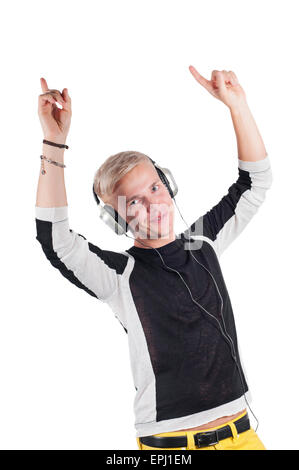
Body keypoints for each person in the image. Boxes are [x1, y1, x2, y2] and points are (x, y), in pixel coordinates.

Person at [35, 68, 272, 450]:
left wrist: (237, 105)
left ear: (169, 184)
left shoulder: (203, 243)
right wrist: (53, 143)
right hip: (172, 445)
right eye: (135, 202)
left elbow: (254, 183)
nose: (154, 203)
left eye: (155, 187)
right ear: (117, 220)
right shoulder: (119, 274)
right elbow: (55, 240)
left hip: (243, 435)